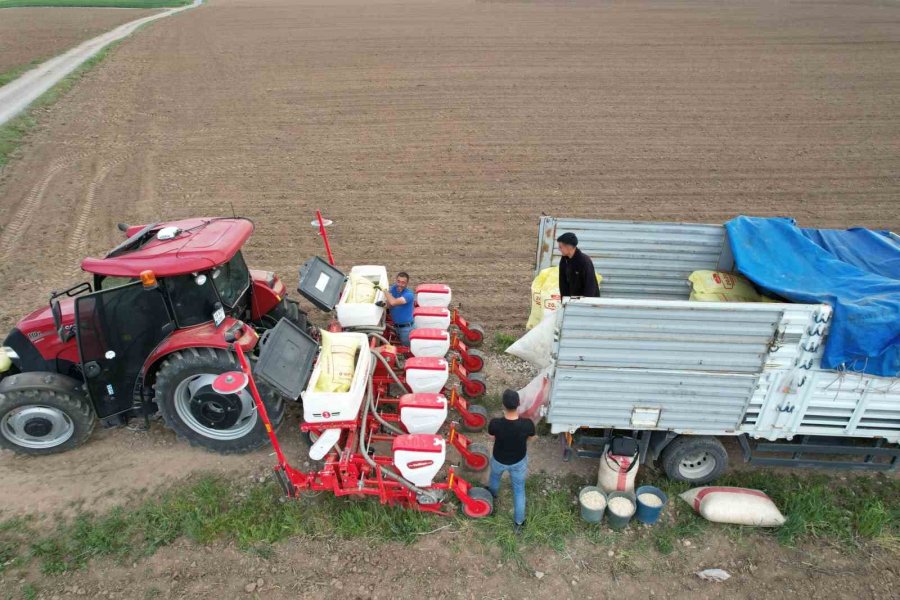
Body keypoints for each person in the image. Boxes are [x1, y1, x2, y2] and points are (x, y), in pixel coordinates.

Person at [487, 389, 536, 533]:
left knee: (495, 477)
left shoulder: (495, 424)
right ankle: (519, 523)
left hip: (499, 459)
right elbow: (531, 437)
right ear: (518, 404)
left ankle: (492, 495)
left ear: (503, 405)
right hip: (518, 461)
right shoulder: (527, 425)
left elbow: (491, 437)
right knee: (519, 490)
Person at [556, 232, 600, 298]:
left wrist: (585, 304)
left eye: (560, 247)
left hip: (587, 301)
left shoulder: (584, 261)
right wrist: (564, 301)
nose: (559, 249)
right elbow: (563, 283)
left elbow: (590, 286)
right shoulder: (564, 260)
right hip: (572, 300)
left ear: (569, 247)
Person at [383, 271, 415, 346]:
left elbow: (393, 302)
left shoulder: (409, 295)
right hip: (396, 327)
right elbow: (389, 304)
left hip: (406, 329)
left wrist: (384, 290)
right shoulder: (394, 288)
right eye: (398, 281)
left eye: (403, 282)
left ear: (407, 284)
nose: (400, 284)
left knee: (407, 350)